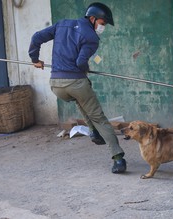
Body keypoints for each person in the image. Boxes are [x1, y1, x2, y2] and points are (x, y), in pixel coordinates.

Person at [28, 2, 126, 173]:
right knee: (99, 118)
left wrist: (35, 59)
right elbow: (80, 62)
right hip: (76, 83)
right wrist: (86, 69)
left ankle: (94, 132)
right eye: (102, 24)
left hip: (56, 85)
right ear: (93, 18)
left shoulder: (62, 24)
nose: (102, 28)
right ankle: (118, 160)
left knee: (80, 101)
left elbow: (37, 37)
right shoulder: (92, 38)